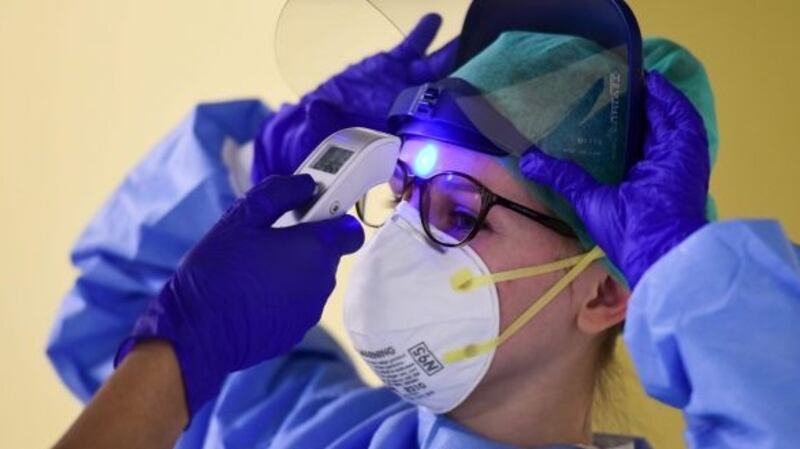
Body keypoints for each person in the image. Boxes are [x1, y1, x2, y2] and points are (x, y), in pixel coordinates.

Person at [48, 14, 800, 449]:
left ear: (604, 291)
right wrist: (263, 170)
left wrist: (690, 274)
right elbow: (122, 328)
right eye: (402, 190)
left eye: (457, 208)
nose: (401, 234)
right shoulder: (300, 426)